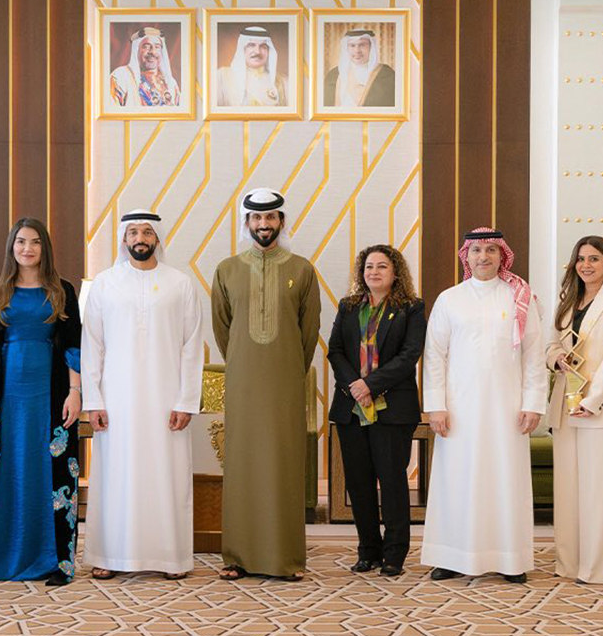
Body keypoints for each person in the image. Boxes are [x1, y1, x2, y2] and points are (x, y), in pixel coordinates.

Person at [0, 218, 82, 587]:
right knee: (10, 472)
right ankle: (5, 553)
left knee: (55, 473)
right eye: (21, 242)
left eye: (35, 242)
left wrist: (75, 391)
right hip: (9, 396)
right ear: (12, 247)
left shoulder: (63, 289)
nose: (27, 248)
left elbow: (73, 344)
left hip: (52, 393)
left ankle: (56, 561)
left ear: (45, 248)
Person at [81, 210, 205, 580]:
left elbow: (191, 347)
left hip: (167, 401)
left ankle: (171, 558)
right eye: (133, 231)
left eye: (147, 232)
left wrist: (186, 400)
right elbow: (93, 346)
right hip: (116, 400)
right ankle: (108, 555)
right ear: (123, 239)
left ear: (158, 238)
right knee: (114, 475)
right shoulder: (104, 284)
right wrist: (94, 401)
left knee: (166, 475)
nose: (140, 238)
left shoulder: (180, 284)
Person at [421, 229, 547, 582]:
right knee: (457, 481)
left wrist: (534, 403)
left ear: (502, 255)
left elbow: (534, 355)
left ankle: (510, 559)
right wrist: (435, 406)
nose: (483, 257)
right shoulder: (449, 299)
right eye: (476, 250)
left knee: (506, 481)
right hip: (459, 409)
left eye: (491, 250)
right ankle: (451, 556)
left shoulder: (520, 297)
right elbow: (434, 357)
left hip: (508, 409)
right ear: (467, 256)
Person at [211, 189, 320, 580]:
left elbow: (309, 333)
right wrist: (243, 361)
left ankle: (285, 559)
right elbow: (223, 330)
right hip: (242, 382)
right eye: (256, 219)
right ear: (246, 224)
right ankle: (237, 557)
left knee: (283, 463)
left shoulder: (303, 270)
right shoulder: (226, 270)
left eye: (271, 218)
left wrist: (288, 366)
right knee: (242, 463)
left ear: (281, 222)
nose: (263, 225)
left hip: (286, 383)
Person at [327, 244, 425, 577]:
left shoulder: (411, 308)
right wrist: (356, 384)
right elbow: (335, 350)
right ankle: (368, 550)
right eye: (369, 266)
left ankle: (395, 553)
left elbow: (410, 355)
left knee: (393, 481)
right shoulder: (349, 306)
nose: (374, 272)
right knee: (359, 483)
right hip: (350, 408)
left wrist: (371, 385)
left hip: (393, 409)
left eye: (382, 266)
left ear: (395, 272)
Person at [544, 236, 603, 586]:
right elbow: (550, 344)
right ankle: (569, 563)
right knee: (568, 492)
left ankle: (599, 569)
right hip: (565, 407)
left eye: (594, 259)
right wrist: (556, 358)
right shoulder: (568, 302)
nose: (587, 265)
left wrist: (593, 400)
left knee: (601, 492)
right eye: (581, 258)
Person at [322, 28, 396, 108]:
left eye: (362, 45)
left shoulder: (386, 75)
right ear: (346, 48)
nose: (357, 51)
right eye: (352, 46)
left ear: (371, 47)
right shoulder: (334, 75)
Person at [109, 26, 181, 107]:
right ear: (136, 50)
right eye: (146, 46)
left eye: (157, 47)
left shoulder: (170, 83)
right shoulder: (120, 76)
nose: (153, 52)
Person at [215, 26, 288, 107]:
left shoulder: (282, 82)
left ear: (268, 51)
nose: (257, 51)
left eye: (263, 47)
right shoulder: (222, 77)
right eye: (251, 45)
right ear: (242, 49)